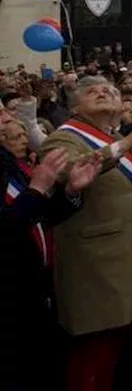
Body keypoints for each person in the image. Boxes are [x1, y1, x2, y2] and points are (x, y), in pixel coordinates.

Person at [38, 76, 132, 391]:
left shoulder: (114, 135)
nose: (105, 91)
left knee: (112, 348)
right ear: (75, 106)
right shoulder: (63, 137)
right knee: (90, 352)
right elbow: (67, 170)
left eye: (112, 90)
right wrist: (126, 144)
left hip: (123, 257)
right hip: (93, 262)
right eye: (93, 91)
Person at [1, 118, 102, 390]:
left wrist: (71, 191)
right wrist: (37, 190)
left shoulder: (14, 167)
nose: (9, 119)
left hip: (38, 290)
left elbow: (41, 217)